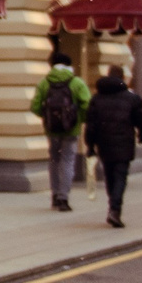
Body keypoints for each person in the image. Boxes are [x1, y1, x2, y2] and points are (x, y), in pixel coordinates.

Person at [83, 66, 142, 229]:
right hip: (124, 142)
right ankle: (115, 209)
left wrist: (90, 145)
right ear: (122, 78)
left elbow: (90, 125)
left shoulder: (97, 99)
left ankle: (113, 205)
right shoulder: (131, 98)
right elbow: (141, 119)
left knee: (109, 175)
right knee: (120, 176)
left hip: (104, 143)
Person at [29, 52, 92, 212]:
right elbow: (87, 105)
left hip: (52, 130)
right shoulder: (77, 83)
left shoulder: (44, 83)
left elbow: (35, 106)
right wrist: (78, 120)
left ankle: (55, 194)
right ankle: (64, 197)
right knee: (68, 161)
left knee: (54, 160)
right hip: (71, 130)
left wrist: (47, 117)